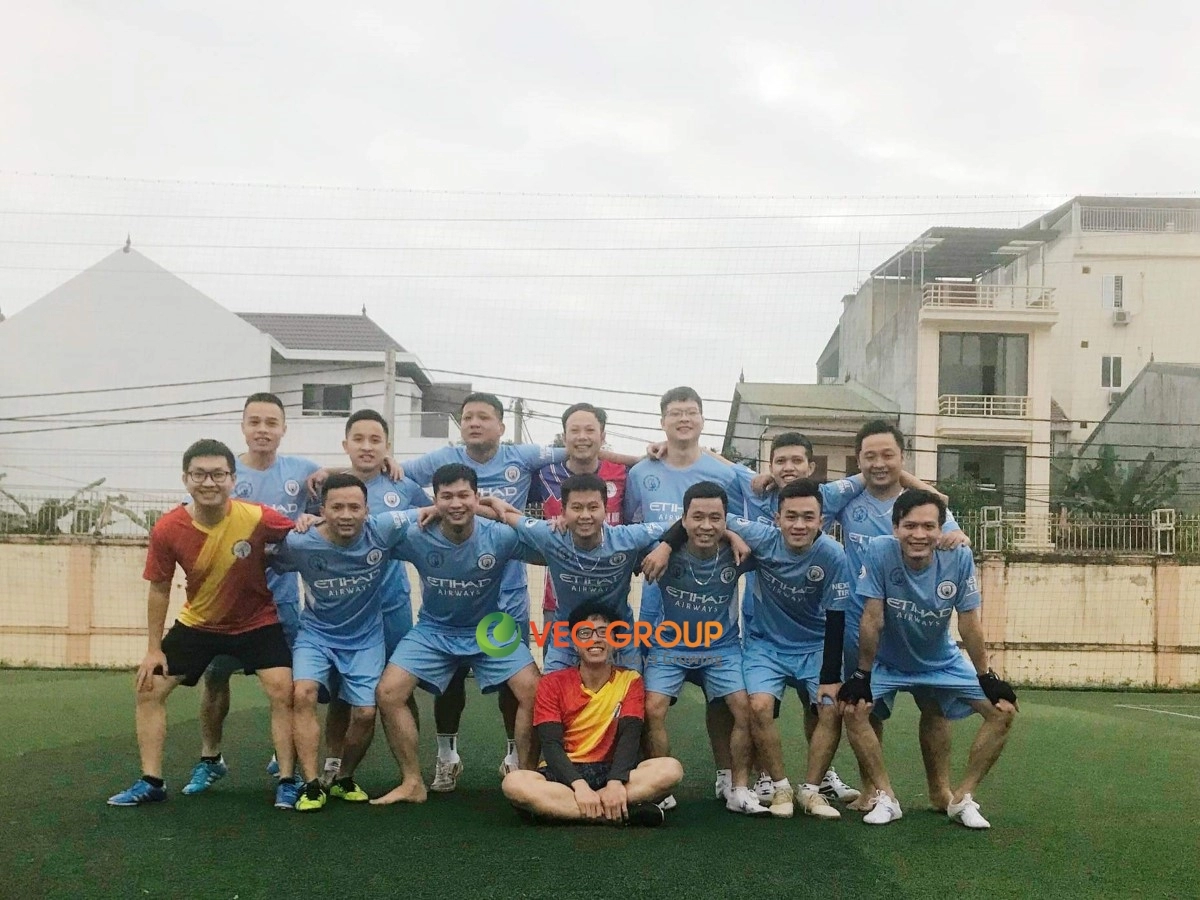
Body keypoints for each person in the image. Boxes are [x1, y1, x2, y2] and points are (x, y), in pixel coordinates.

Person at [107, 439, 301, 809]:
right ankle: (152, 781)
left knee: (283, 690)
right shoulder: (168, 528)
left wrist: (311, 520)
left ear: (233, 479)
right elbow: (159, 589)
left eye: (217, 474)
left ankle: (288, 781)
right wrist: (153, 649)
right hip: (199, 624)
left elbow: (304, 535)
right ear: (186, 479)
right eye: (199, 475)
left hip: (257, 622)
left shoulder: (258, 516)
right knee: (149, 689)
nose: (208, 482)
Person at [396, 392, 568, 788]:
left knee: (516, 685)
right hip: (450, 611)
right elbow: (391, 473)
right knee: (450, 680)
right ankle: (447, 755)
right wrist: (426, 507)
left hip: (505, 602)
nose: (474, 423)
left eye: (483, 417)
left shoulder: (521, 457)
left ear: (501, 426)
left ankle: (514, 757)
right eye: (468, 417)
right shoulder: (442, 459)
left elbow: (580, 450)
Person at [838, 490, 1018, 829]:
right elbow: (872, 618)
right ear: (895, 528)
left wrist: (986, 675)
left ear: (940, 529)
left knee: (1002, 711)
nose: (919, 535)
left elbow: (969, 622)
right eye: (910, 526)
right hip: (889, 662)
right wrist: (862, 674)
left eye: (928, 526)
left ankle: (961, 799)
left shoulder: (959, 556)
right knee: (853, 709)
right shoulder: (879, 551)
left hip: (941, 662)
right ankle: (886, 797)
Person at [371, 464, 542, 806]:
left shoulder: (499, 536)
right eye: (446, 497)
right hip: (434, 629)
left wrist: (502, 511)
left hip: (489, 628)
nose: (456, 503)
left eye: (464, 495)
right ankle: (412, 782)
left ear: (477, 497)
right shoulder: (418, 534)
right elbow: (369, 530)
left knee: (534, 690)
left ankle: (527, 778)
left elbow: (547, 547)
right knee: (388, 693)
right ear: (435, 500)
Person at [821, 421, 971, 810]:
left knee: (934, 707)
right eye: (869, 456)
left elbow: (955, 537)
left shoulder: (920, 506)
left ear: (903, 457)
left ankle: (939, 789)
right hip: (864, 623)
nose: (879, 463)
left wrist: (954, 531)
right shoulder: (847, 501)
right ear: (858, 461)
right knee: (864, 708)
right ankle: (872, 790)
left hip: (920, 626)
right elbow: (812, 504)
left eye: (888, 455)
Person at [186, 393, 321, 794]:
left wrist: (386, 464)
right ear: (243, 427)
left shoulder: (303, 471)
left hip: (281, 600)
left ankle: (286, 759)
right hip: (228, 602)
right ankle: (211, 758)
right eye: (255, 422)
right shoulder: (225, 475)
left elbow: (336, 495)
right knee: (215, 677)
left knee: (289, 685)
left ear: (284, 429)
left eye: (271, 423)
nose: (263, 430)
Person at [623, 386, 747, 804]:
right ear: (662, 421)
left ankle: (729, 778)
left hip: (713, 615)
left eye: (691, 412)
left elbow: (734, 520)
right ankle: (652, 780)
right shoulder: (642, 472)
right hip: (658, 610)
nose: (683, 419)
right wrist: (661, 547)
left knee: (723, 701)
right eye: (675, 413)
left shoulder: (723, 473)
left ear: (702, 419)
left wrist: (729, 533)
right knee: (648, 702)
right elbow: (633, 528)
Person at [268, 473, 400, 812]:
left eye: (354, 507)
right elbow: (264, 554)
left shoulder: (382, 531)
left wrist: (494, 507)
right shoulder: (301, 542)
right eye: (337, 507)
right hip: (316, 634)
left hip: (365, 637)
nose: (346, 515)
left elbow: (434, 511)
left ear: (367, 510)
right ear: (321, 510)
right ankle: (311, 784)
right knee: (303, 693)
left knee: (366, 713)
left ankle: (343, 778)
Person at [314, 409, 428, 787]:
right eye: (358, 439)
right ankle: (334, 764)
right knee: (341, 693)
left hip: (392, 605)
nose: (367, 446)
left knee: (400, 689)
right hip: (343, 613)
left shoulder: (404, 487)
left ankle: (410, 771)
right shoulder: (326, 486)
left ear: (387, 446)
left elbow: (433, 518)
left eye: (375, 440)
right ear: (345, 444)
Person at [639, 482, 768, 815]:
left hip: (721, 647)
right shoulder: (660, 551)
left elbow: (778, 543)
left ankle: (737, 787)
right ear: (683, 520)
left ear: (726, 520)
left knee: (743, 708)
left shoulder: (740, 553)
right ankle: (660, 786)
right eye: (697, 517)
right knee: (652, 708)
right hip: (670, 646)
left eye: (715, 518)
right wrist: (666, 545)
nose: (706, 526)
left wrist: (734, 536)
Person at [501, 601, 683, 826]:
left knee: (670, 769)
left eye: (603, 632)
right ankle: (616, 814)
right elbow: (550, 744)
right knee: (514, 783)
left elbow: (630, 737)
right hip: (566, 773)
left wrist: (615, 782)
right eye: (585, 633)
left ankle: (562, 811)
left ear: (615, 641)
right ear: (574, 643)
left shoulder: (631, 680)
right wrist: (579, 786)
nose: (595, 639)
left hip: (612, 770)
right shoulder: (551, 683)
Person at [480, 472, 662, 673]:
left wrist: (666, 547)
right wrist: (489, 502)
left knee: (632, 690)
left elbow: (678, 524)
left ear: (606, 508)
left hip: (619, 635)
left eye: (593, 507)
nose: (585, 515)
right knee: (549, 689)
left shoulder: (627, 537)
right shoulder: (550, 535)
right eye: (576, 508)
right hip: (566, 636)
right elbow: (505, 516)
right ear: (563, 511)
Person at [530, 403, 628, 629]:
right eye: (574, 430)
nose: (582, 436)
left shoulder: (623, 473)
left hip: (611, 603)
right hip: (558, 602)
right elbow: (515, 509)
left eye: (590, 430)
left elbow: (634, 525)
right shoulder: (545, 474)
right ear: (564, 437)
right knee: (556, 653)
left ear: (602, 436)